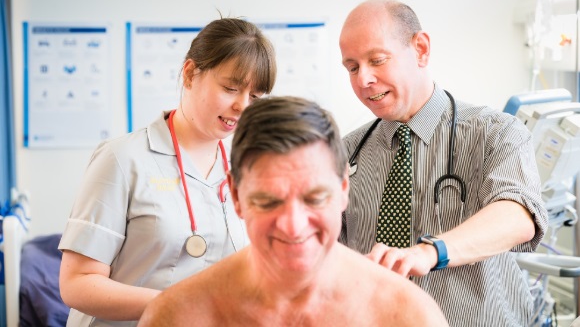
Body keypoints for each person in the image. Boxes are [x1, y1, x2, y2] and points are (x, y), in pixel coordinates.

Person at [137, 96, 449, 327]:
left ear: (343, 189)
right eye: (269, 201)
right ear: (235, 195)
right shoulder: (178, 317)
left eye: (314, 198)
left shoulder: (406, 316)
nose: (293, 226)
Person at [338, 0, 549, 326]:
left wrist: (430, 252)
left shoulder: (494, 133)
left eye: (376, 60)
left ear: (421, 49)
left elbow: (518, 214)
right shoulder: (346, 152)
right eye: (352, 67)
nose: (363, 79)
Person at [58, 17, 277, 326]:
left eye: (255, 97)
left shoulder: (246, 166)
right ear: (189, 74)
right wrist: (181, 302)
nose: (243, 105)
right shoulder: (122, 159)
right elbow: (77, 283)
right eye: (231, 88)